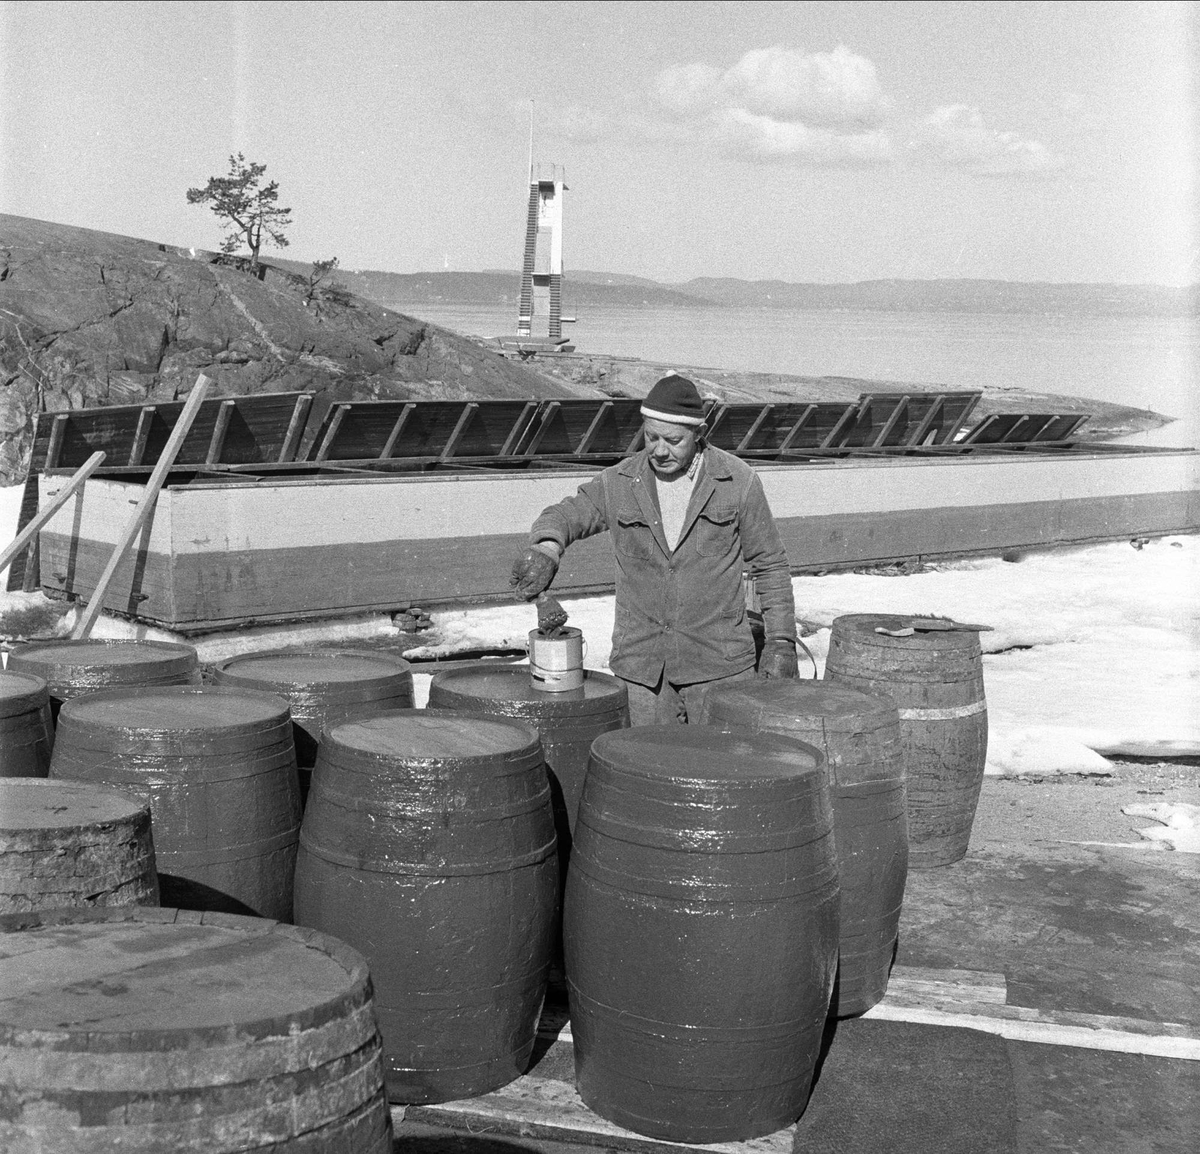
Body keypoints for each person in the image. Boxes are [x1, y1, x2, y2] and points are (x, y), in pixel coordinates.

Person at [510, 373, 799, 725]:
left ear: (700, 433)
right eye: (651, 437)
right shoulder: (618, 483)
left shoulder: (738, 482)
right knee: (644, 772)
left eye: (673, 440)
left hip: (718, 669)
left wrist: (781, 641)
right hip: (642, 675)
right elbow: (565, 515)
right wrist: (547, 547)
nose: (660, 450)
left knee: (724, 768)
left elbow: (769, 565)